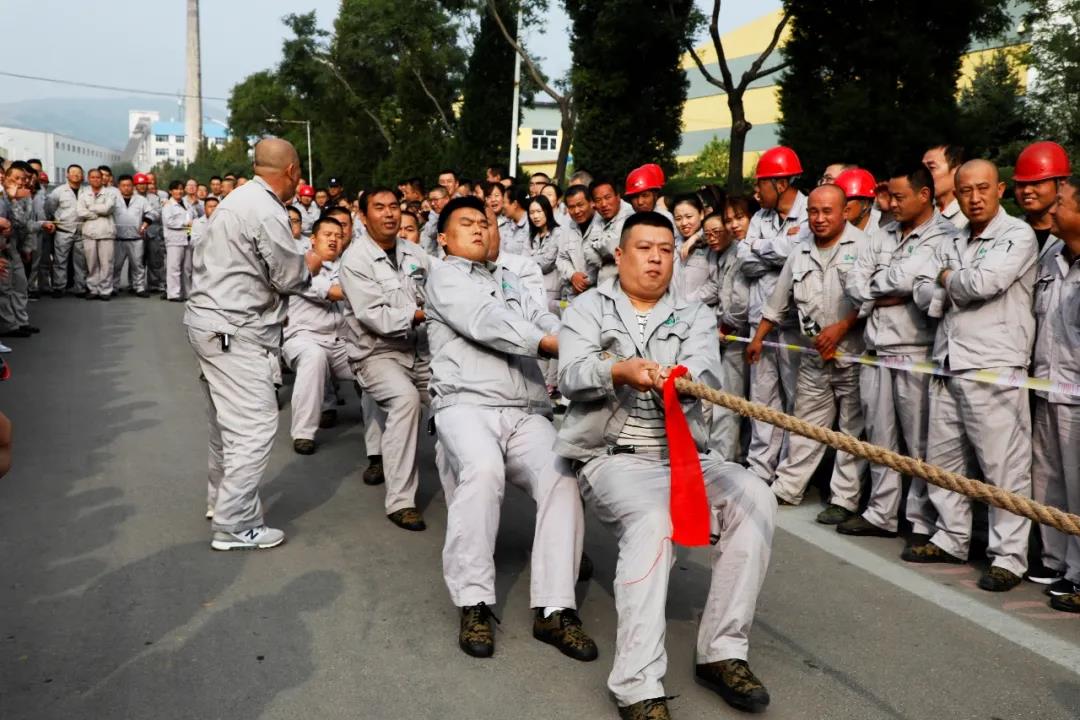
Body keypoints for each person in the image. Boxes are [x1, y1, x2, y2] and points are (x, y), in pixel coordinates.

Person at [559, 211, 776, 719]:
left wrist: (681, 378)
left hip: (686, 455)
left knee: (756, 497)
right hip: (614, 457)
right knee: (653, 522)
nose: (656, 258)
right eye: (644, 248)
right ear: (620, 255)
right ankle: (636, 683)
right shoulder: (588, 307)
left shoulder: (695, 314)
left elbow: (704, 368)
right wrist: (618, 370)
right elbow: (570, 374)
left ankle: (722, 653)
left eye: (664, 248)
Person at [425, 195, 598, 663]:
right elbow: (487, 322)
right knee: (483, 471)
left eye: (484, 222)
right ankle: (474, 601)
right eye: (467, 224)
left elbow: (543, 316)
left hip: (524, 405)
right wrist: (550, 343)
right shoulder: (443, 277)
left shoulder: (509, 277)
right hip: (464, 403)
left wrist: (580, 341)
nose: (480, 229)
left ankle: (555, 609)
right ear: (444, 238)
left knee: (562, 478)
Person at [184, 137, 319, 551]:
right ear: (292, 170)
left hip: (213, 322)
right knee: (255, 427)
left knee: (225, 428)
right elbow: (289, 277)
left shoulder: (239, 199)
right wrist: (315, 258)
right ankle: (234, 523)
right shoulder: (264, 209)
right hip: (234, 330)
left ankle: (219, 501)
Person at [909, 160, 1037, 592]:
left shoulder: (1017, 234)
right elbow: (921, 288)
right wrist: (949, 283)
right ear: (956, 194)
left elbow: (984, 283)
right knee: (944, 461)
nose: (975, 197)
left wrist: (948, 281)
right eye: (966, 191)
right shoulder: (953, 236)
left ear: (1000, 189)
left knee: (1003, 467)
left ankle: (1009, 557)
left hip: (994, 364)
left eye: (983, 188)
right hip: (948, 359)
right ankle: (950, 537)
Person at [840, 165, 956, 539]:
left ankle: (922, 520)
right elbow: (854, 282)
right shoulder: (881, 234)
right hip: (875, 348)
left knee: (919, 440)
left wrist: (882, 287)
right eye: (888, 196)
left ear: (924, 196)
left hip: (916, 348)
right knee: (879, 436)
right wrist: (886, 291)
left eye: (899, 197)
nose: (890, 204)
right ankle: (881, 512)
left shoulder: (944, 236)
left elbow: (909, 280)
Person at [747, 184, 868, 523]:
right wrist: (758, 339)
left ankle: (844, 499)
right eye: (813, 211)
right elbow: (778, 301)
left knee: (850, 430)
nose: (819, 218)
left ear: (845, 211)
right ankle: (787, 488)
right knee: (805, 424)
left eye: (827, 211)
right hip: (814, 355)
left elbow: (872, 298)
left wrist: (842, 328)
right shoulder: (800, 250)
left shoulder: (864, 247)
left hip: (853, 354)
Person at [339, 188, 431, 532]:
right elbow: (373, 314)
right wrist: (422, 313)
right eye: (379, 208)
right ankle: (401, 501)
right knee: (406, 401)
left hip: (419, 349)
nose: (389, 214)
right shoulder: (356, 259)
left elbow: (438, 287)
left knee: (456, 401)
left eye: (394, 206)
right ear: (363, 216)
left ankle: (467, 488)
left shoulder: (416, 253)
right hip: (375, 352)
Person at [739, 146, 808, 481]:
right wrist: (775, 254)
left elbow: (798, 256)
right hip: (759, 322)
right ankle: (759, 467)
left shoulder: (811, 211)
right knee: (761, 397)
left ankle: (788, 472)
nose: (758, 190)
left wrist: (761, 250)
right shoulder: (759, 217)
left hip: (794, 322)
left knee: (796, 399)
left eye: (762, 183)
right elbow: (744, 259)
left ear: (780, 183)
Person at [1038, 176, 1080, 611]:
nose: (1052, 209)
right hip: (1048, 386)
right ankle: (1062, 566)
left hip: (1077, 394)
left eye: (1061, 203)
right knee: (1054, 486)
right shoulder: (1052, 255)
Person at [282, 217, 353, 455]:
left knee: (375, 359)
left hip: (341, 342)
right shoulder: (302, 265)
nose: (333, 239)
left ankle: (382, 437)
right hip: (305, 339)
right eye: (327, 234)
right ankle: (303, 433)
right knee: (314, 356)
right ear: (313, 239)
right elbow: (331, 292)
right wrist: (366, 291)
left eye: (338, 235)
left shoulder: (349, 266)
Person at [696, 209, 749, 459]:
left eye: (718, 231)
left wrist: (726, 326)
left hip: (736, 334)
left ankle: (723, 455)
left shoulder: (739, 254)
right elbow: (716, 289)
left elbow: (740, 301)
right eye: (708, 234)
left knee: (728, 398)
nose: (712, 237)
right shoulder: (718, 255)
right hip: (723, 330)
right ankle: (729, 451)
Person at [1013, 141, 1072, 256]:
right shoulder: (1008, 231)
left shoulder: (1073, 231)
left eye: (1036, 183)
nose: (1026, 191)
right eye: (1021, 184)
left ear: (1061, 184)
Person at [44, 164, 87, 298]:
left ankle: (80, 287)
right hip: (63, 231)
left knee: (80, 262)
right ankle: (59, 287)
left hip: (81, 232)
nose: (76, 175)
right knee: (60, 261)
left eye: (79, 173)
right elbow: (50, 208)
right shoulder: (58, 191)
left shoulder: (86, 191)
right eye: (73, 172)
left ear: (83, 176)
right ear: (67, 175)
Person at [76, 167, 117, 301]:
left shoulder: (110, 193)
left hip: (106, 232)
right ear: (88, 179)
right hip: (89, 233)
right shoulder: (83, 194)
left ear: (102, 179)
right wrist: (95, 213)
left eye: (98, 177)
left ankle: (105, 290)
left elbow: (108, 208)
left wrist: (91, 209)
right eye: (92, 177)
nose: (95, 179)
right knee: (91, 263)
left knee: (106, 263)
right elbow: (80, 212)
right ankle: (93, 288)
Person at [583, 179, 634, 285]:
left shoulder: (629, 215)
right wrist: (604, 261)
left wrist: (597, 245)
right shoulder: (598, 215)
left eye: (607, 197)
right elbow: (587, 249)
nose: (603, 204)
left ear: (618, 197)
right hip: (603, 281)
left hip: (624, 283)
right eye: (598, 200)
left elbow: (612, 248)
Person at [111, 174, 152, 297]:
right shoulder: (113, 199)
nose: (126, 188)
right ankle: (113, 287)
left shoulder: (141, 200)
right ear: (119, 186)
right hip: (118, 238)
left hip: (136, 238)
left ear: (133, 186)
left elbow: (152, 213)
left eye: (129, 185)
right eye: (123, 185)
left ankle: (139, 287)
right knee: (116, 265)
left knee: (138, 265)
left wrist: (145, 224)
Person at [923, 144, 968, 232]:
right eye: (922, 168)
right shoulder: (919, 212)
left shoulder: (970, 217)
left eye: (931, 168)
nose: (922, 175)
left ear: (958, 171)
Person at [162, 180, 195, 302]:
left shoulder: (186, 203)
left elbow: (193, 216)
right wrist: (185, 223)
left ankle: (187, 293)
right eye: (176, 189)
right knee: (174, 268)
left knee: (187, 268)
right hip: (174, 240)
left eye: (181, 189)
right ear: (170, 191)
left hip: (187, 238)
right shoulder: (167, 205)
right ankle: (174, 293)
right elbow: (169, 222)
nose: (179, 191)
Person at [671, 194, 708, 297]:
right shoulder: (672, 243)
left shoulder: (711, 241)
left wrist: (697, 237)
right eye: (678, 218)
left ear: (701, 214)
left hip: (702, 308)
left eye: (689, 217)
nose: (683, 223)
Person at [136, 172, 166, 296]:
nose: (143, 186)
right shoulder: (132, 197)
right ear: (136, 185)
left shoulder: (154, 198)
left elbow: (158, 213)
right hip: (137, 233)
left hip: (153, 233)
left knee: (155, 260)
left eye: (145, 184)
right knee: (138, 260)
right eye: (140, 184)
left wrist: (147, 218)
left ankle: (154, 284)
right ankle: (137, 285)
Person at [501, 185, 531, 256]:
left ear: (514, 204)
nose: (502, 206)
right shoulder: (507, 225)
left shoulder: (531, 225)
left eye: (504, 202)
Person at [422, 186, 450, 254]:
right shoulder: (434, 215)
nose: (432, 203)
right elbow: (430, 233)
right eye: (430, 200)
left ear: (446, 199)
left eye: (436, 200)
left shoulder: (455, 215)